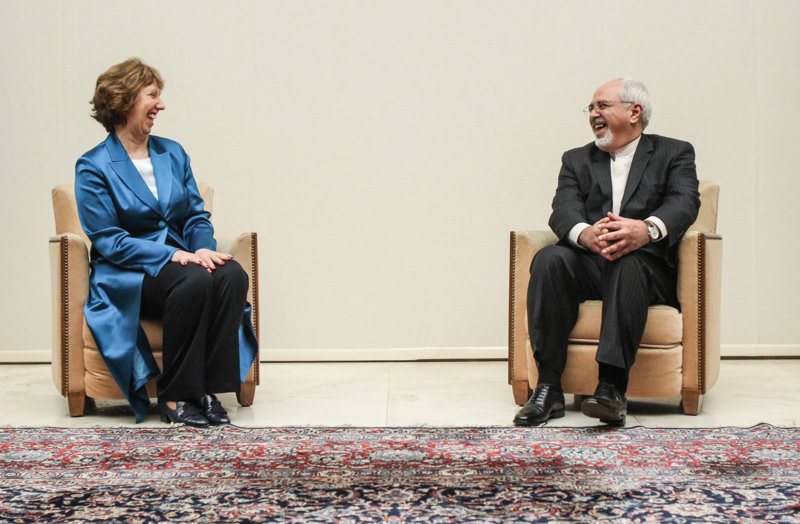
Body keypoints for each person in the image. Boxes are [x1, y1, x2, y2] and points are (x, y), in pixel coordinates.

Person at [75, 58, 258, 427]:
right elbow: (109, 241)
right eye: (152, 95)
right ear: (125, 100)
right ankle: (174, 396)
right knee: (194, 280)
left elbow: (194, 216)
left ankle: (207, 390)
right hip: (129, 271)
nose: (160, 105)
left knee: (231, 275)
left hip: (182, 259)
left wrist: (201, 247)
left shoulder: (172, 153)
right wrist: (173, 254)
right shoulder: (93, 166)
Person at [513, 78, 700, 427]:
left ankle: (611, 389)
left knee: (628, 261)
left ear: (634, 112)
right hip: (592, 264)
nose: (593, 114)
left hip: (646, 270)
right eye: (591, 108)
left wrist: (645, 230)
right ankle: (548, 389)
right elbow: (563, 208)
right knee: (550, 259)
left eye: (602, 105)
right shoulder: (576, 159)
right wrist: (586, 235)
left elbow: (685, 202)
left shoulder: (674, 152)